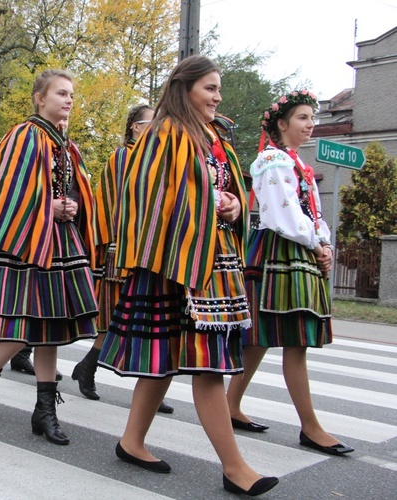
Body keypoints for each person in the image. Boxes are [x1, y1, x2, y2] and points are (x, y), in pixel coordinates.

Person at [97, 56, 278, 496]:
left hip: (214, 261)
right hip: (176, 267)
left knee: (165, 360)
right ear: (185, 88)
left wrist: (234, 205)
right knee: (207, 364)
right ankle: (235, 468)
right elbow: (148, 200)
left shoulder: (213, 137)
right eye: (210, 88)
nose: (218, 97)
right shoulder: (163, 134)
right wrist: (203, 211)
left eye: (219, 89)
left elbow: (226, 191)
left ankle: (131, 440)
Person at [0, 69, 98, 446]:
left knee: (50, 325)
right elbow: (6, 189)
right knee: (23, 324)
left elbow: (73, 188)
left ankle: (44, 411)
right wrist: (47, 206)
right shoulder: (25, 134)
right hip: (27, 240)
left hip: (60, 240)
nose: (68, 99)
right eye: (61, 93)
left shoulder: (66, 144)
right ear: (40, 98)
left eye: (71, 94)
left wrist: (71, 207)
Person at [225, 90, 354, 456]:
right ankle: (310, 427)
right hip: (281, 250)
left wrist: (324, 243)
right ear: (282, 124)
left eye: (312, 117)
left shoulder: (296, 163)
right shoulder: (272, 160)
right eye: (302, 117)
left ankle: (232, 404)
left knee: (263, 336)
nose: (310, 123)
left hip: (296, 250)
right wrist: (316, 244)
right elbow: (284, 215)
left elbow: (311, 213)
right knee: (288, 339)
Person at [70, 104, 173, 414]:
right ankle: (89, 367)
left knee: (144, 320)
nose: (159, 130)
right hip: (124, 249)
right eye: (152, 124)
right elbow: (118, 204)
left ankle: (141, 383)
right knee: (117, 318)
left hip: (150, 248)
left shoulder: (157, 158)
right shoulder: (123, 157)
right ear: (135, 128)